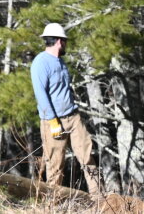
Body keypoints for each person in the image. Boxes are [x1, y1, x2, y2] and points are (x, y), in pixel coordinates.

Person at [31, 22, 102, 194]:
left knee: (87, 157)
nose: (66, 45)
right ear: (59, 41)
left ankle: (99, 198)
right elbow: (41, 94)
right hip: (54, 121)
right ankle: (53, 205)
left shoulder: (60, 62)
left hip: (73, 117)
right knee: (55, 165)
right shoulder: (40, 62)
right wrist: (53, 121)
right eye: (65, 41)